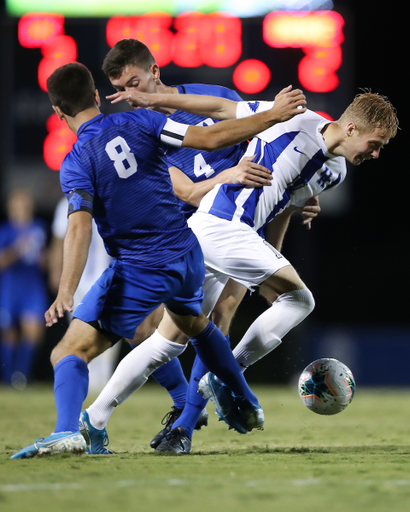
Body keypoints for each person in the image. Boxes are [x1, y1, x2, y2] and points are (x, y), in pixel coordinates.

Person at [10, 62, 307, 459]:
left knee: (67, 352)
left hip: (141, 265)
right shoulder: (142, 121)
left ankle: (69, 430)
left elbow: (79, 229)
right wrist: (271, 115)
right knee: (198, 327)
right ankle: (246, 399)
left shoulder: (77, 160)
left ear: (59, 113)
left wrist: (65, 292)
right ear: (97, 97)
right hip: (188, 253)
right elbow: (210, 137)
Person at [82, 86, 398, 454]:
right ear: (352, 129)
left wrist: (270, 263)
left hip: (220, 236)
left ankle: (95, 417)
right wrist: (158, 99)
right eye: (375, 143)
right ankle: (228, 372)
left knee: (167, 342)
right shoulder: (292, 116)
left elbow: (283, 208)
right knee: (301, 300)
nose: (375, 154)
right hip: (221, 224)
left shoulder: (336, 172)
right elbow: (221, 106)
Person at [83, 39, 320, 450]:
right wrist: (225, 178)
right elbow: (189, 194)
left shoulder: (214, 98)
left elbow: (267, 142)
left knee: (212, 319)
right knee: (175, 334)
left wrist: (301, 187)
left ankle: (178, 425)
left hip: (241, 223)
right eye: (122, 92)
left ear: (155, 71)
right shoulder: (142, 135)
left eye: (135, 84)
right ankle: (182, 414)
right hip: (192, 235)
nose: (132, 98)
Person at [49, 196, 120, 394]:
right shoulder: (67, 203)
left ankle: (104, 382)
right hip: (79, 281)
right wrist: (58, 274)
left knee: (110, 331)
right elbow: (59, 240)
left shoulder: (113, 198)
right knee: (79, 333)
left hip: (109, 276)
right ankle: (85, 381)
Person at [0, 188, 48, 388]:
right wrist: (17, 249)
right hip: (10, 286)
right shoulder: (5, 231)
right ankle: (8, 377)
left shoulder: (39, 228)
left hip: (33, 285)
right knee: (9, 333)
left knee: (33, 331)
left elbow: (46, 258)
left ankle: (21, 376)